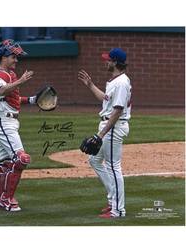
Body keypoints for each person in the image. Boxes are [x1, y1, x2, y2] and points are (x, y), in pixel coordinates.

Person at [78, 48, 132, 218]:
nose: (106, 62)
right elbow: (105, 99)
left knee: (113, 166)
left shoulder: (122, 83)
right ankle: (112, 200)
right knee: (94, 160)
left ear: (116, 62)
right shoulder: (115, 81)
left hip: (113, 126)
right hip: (109, 125)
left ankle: (118, 210)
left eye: (108, 60)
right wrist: (90, 85)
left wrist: (100, 135)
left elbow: (117, 111)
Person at [0, 39, 36, 211]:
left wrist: (31, 100)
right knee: (21, 159)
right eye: (14, 57)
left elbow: (12, 99)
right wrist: (21, 81)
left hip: (9, 120)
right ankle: (6, 199)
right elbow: (1, 91)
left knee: (5, 163)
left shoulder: (9, 76)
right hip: (2, 121)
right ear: (4, 57)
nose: (16, 60)